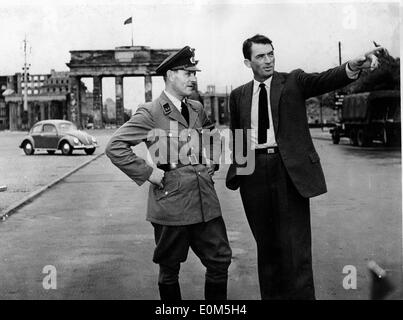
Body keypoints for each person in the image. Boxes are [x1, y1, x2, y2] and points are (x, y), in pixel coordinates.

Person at [226, 34, 384, 299]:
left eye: (271, 54)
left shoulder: (293, 82)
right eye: (260, 56)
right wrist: (240, 172)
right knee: (267, 248)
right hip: (253, 175)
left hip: (288, 172)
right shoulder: (238, 95)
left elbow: (325, 79)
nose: (268, 60)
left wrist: (352, 66)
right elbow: (238, 135)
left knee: (295, 250)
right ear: (247, 62)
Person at [106, 46, 231, 301]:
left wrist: (213, 161)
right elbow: (115, 147)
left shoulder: (196, 107)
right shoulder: (151, 112)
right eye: (187, 72)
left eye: (194, 72)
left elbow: (212, 133)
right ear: (171, 75)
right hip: (171, 202)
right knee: (170, 268)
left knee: (220, 260)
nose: (193, 78)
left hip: (204, 199)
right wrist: (149, 173)